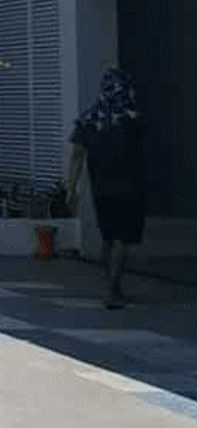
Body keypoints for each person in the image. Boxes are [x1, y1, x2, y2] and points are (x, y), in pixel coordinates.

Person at [64, 68, 149, 309]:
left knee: (108, 237)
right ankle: (112, 289)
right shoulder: (133, 119)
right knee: (123, 238)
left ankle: (112, 286)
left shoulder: (89, 119)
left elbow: (77, 156)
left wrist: (71, 188)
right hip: (130, 187)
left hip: (101, 188)